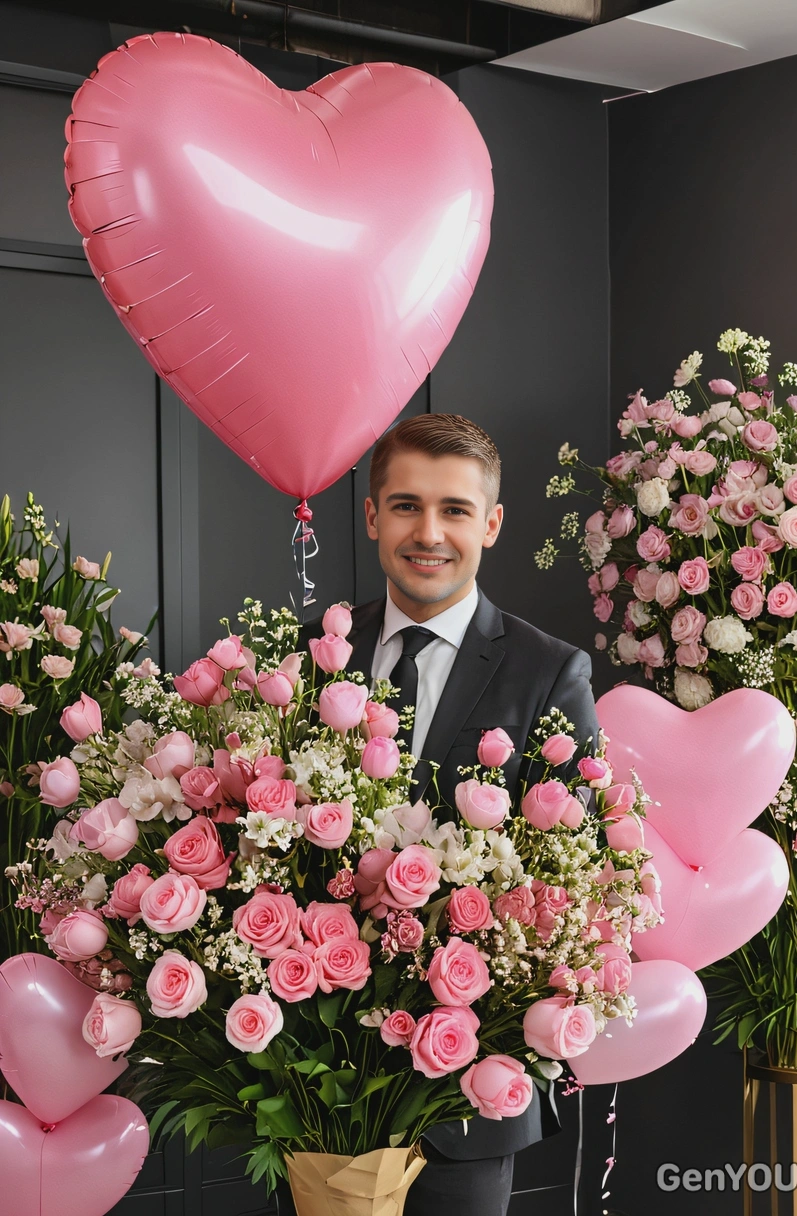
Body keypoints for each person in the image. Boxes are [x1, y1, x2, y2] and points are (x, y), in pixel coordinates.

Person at [300, 413, 599, 1216]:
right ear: (370, 516)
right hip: (307, 1072)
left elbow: (574, 866)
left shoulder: (549, 672)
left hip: (465, 1091)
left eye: (456, 510)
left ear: (491, 524)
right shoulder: (310, 656)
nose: (428, 532)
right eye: (404, 505)